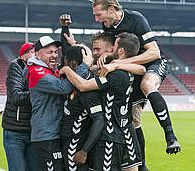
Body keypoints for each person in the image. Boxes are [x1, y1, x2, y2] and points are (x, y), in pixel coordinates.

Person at [92, 0, 181, 170]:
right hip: (131, 68)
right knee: (133, 120)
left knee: (147, 85)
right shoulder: (107, 26)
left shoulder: (135, 19)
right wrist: (108, 55)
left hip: (152, 63)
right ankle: (142, 165)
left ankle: (170, 136)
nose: (97, 19)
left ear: (111, 9)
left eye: (99, 15)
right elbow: (116, 50)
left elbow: (154, 52)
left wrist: (118, 63)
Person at [60, 33, 145, 171]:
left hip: (110, 136)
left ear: (116, 49)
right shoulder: (123, 68)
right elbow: (142, 69)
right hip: (126, 132)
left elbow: (83, 85)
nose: (94, 53)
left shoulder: (114, 73)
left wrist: (67, 70)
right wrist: (75, 46)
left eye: (97, 49)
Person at [25, 35, 90, 171]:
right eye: (49, 52)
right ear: (37, 54)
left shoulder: (48, 70)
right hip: (46, 136)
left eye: (55, 52)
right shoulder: (37, 72)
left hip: (53, 134)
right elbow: (63, 87)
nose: (54, 55)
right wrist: (85, 66)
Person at [59, 14, 105, 171]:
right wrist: (65, 28)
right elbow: (68, 51)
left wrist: (84, 151)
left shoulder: (87, 87)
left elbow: (99, 120)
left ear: (72, 63)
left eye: (65, 62)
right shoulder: (75, 79)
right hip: (67, 140)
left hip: (76, 146)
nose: (61, 65)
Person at [2, 42, 40, 171]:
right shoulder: (16, 66)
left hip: (32, 131)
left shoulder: (39, 69)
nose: (36, 55)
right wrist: (39, 94)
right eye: (32, 52)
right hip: (15, 130)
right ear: (24, 55)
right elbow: (15, 97)